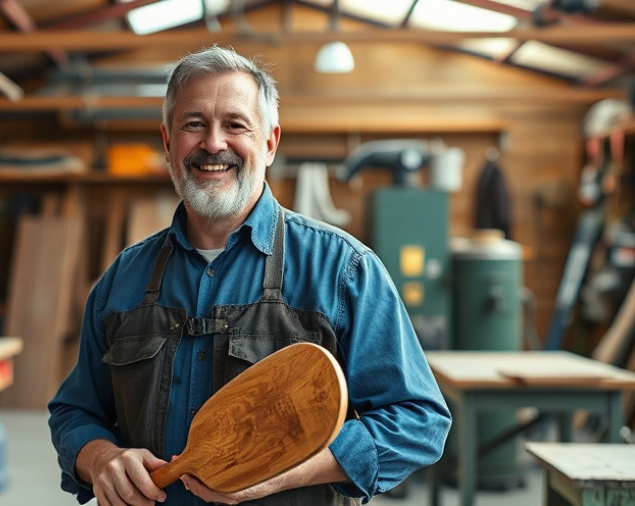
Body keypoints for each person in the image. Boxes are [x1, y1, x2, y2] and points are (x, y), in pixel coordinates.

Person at [48, 45, 451, 505]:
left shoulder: (343, 270)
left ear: (270, 142)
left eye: (235, 124)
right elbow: (75, 411)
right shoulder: (123, 281)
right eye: (193, 124)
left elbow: (419, 421)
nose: (213, 143)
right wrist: (100, 458)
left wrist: (285, 472)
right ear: (167, 142)